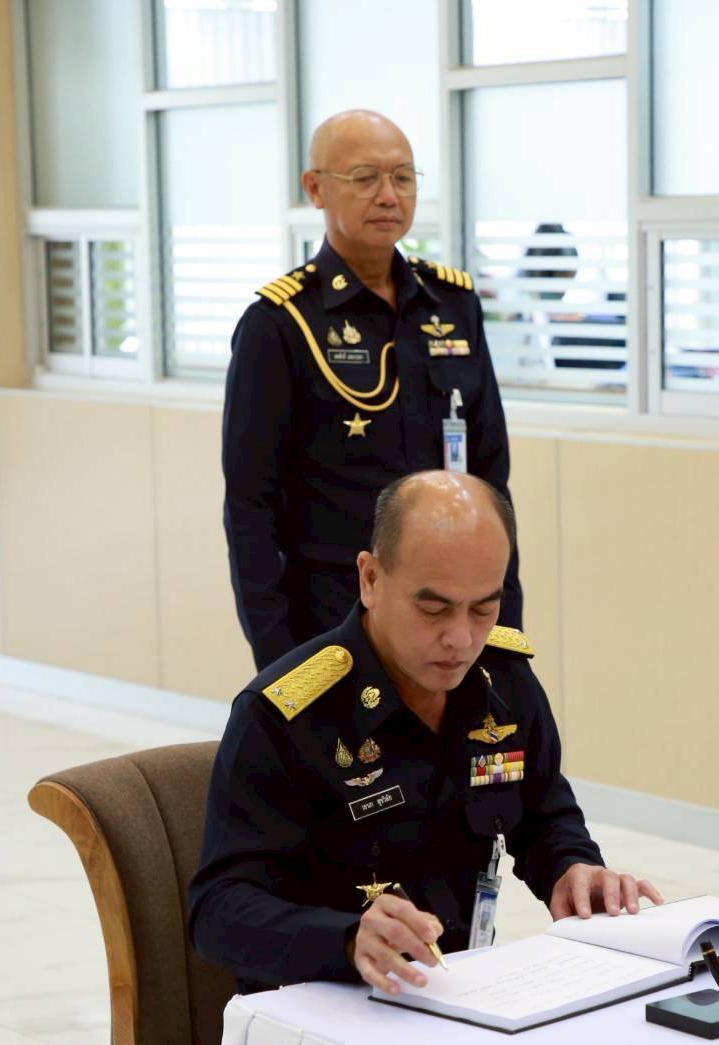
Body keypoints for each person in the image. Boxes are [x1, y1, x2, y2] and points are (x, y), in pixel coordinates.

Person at [189, 471, 661, 994]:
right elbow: (217, 912)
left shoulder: (504, 680)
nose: (460, 639)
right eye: (433, 609)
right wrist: (346, 940)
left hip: (457, 993)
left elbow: (544, 811)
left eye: (483, 608)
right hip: (324, 1002)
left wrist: (572, 868)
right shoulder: (288, 716)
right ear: (370, 579)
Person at [222, 110, 520, 671]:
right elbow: (249, 505)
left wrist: (503, 629)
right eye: (365, 178)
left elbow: (490, 480)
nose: (388, 195)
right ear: (315, 188)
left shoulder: (452, 305)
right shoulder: (281, 322)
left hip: (451, 613)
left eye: (403, 178)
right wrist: (278, 658)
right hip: (332, 613)